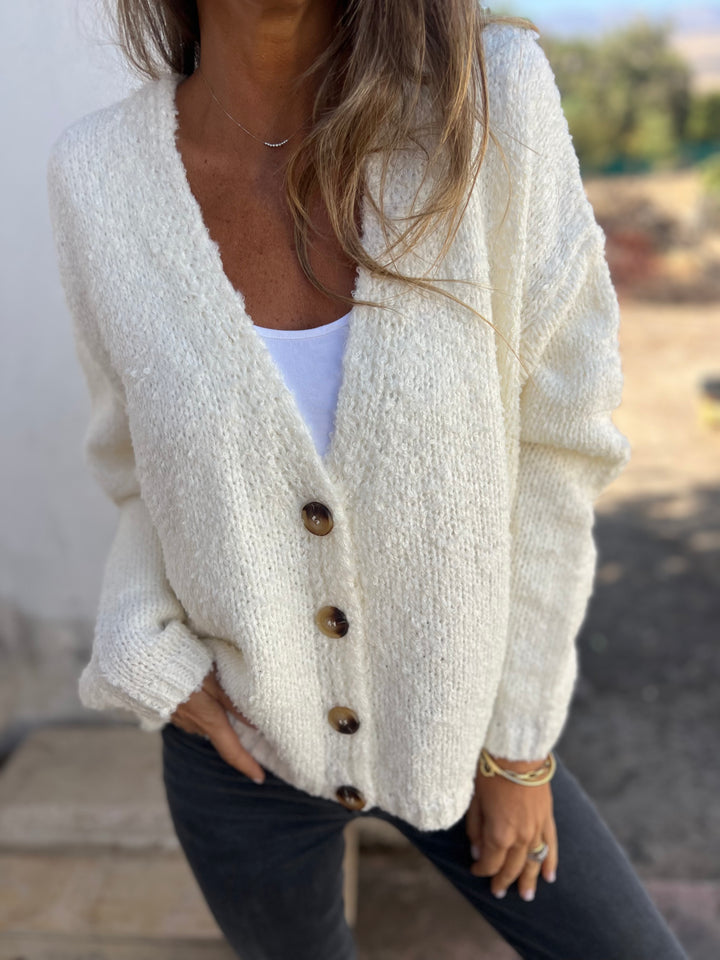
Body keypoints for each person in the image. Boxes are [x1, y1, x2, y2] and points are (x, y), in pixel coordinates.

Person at [46, 1, 690, 958]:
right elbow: (138, 465)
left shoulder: (486, 100)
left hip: (465, 731)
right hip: (242, 755)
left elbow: (560, 444)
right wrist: (142, 636)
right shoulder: (98, 172)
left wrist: (519, 746)